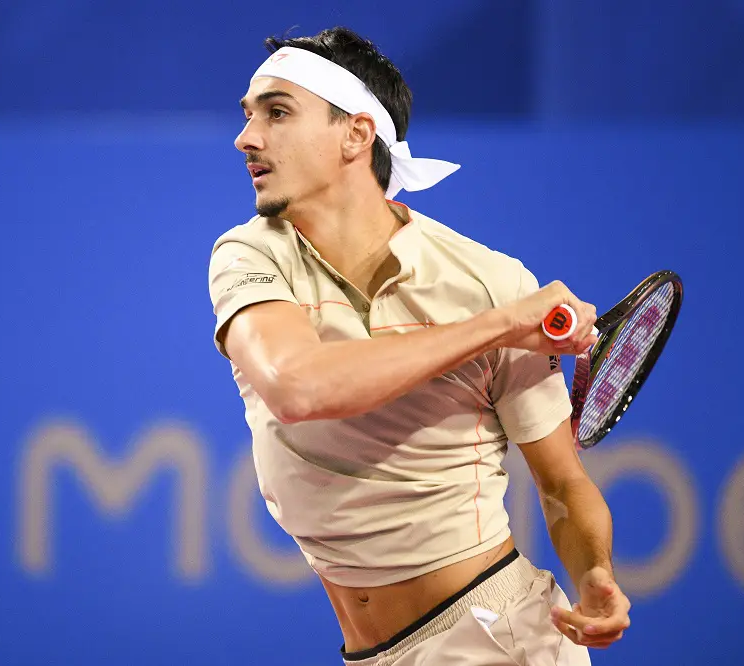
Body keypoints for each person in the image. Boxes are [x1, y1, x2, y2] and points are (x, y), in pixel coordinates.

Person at [207, 27, 631, 666]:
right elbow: (297, 387)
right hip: (376, 653)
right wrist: (498, 326)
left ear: (356, 134)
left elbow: (562, 484)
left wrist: (594, 572)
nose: (246, 137)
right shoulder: (250, 253)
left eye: (277, 112)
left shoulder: (489, 282)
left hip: (493, 636)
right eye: (249, 115)